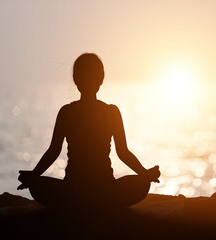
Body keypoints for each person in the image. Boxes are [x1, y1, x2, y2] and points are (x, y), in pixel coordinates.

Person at [18, 53, 160, 211]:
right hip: (105, 192)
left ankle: (77, 204)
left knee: (37, 186)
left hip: (73, 192)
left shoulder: (67, 112)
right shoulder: (111, 112)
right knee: (141, 183)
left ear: (75, 79)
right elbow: (124, 153)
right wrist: (145, 174)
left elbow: (53, 152)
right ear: (101, 79)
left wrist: (33, 176)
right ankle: (103, 203)